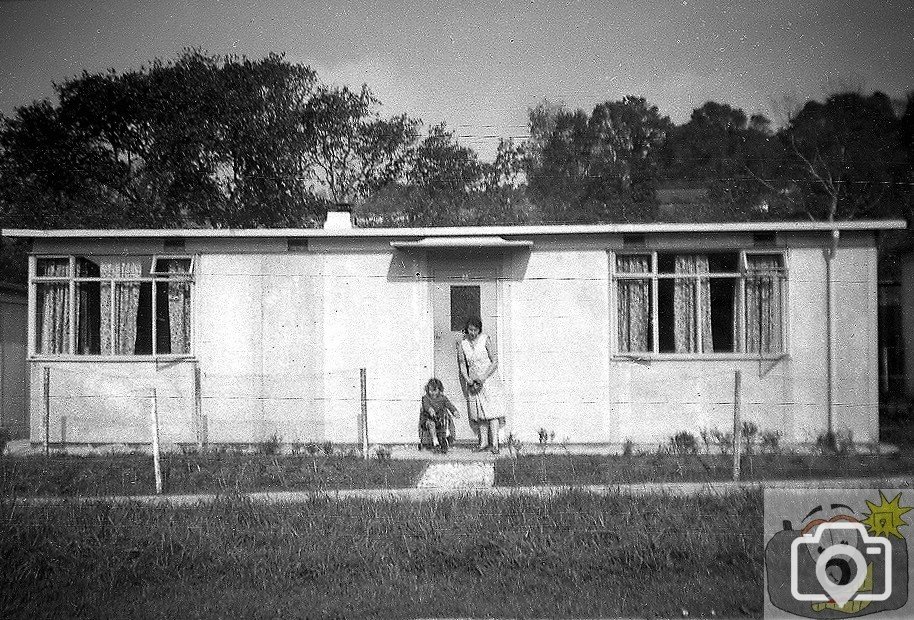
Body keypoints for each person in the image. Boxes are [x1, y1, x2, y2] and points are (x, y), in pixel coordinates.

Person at [457, 316, 506, 454]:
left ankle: (495, 444)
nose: (473, 333)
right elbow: (462, 364)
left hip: (489, 380)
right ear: (466, 329)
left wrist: (483, 377)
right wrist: (468, 379)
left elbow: (495, 361)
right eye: (470, 330)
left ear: (479, 330)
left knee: (492, 411)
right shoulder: (463, 344)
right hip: (474, 382)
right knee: (480, 413)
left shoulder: (485, 339)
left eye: (475, 330)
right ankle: (483, 443)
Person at [418, 377, 458, 453]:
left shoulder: (443, 398)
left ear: (439, 390)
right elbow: (426, 405)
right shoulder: (425, 398)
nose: (432, 393)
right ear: (427, 390)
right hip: (428, 419)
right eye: (430, 390)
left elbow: (449, 405)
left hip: (440, 420)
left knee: (445, 414)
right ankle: (435, 441)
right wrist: (430, 409)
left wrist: (454, 411)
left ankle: (446, 434)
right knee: (431, 424)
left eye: (435, 390)